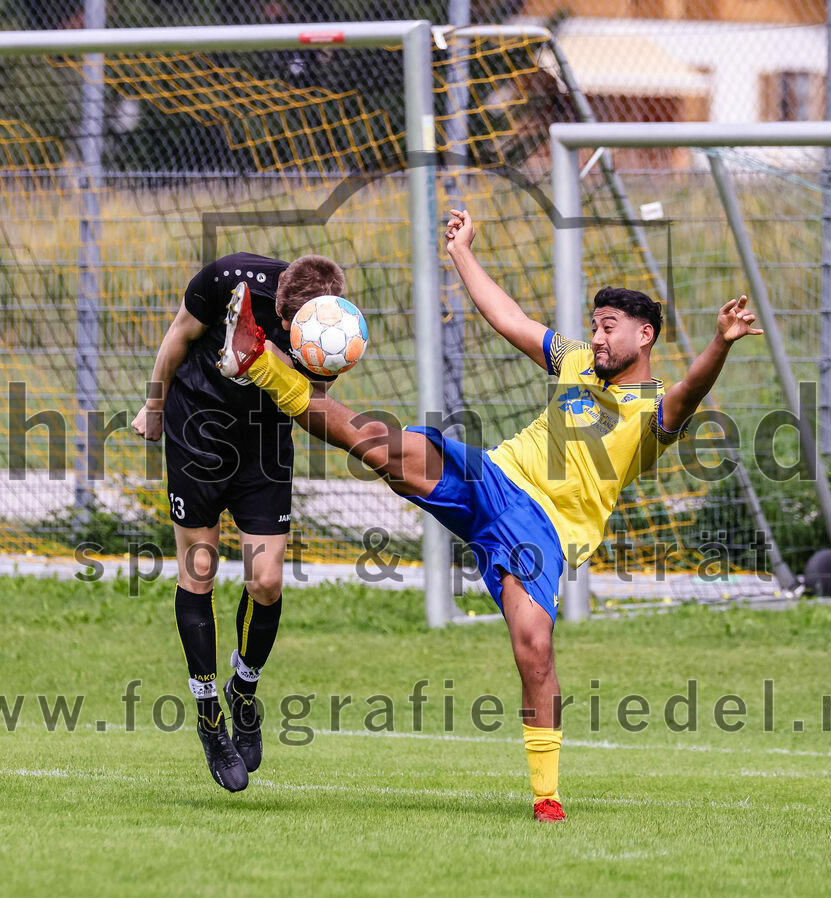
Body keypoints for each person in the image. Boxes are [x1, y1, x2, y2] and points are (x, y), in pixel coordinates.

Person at [216, 209, 763, 819]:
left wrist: (720, 341)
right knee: (383, 448)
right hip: (496, 479)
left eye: (610, 328)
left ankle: (547, 796)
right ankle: (259, 362)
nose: (599, 337)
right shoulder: (577, 363)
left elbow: (691, 390)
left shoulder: (654, 410)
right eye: (595, 326)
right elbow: (510, 319)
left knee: (535, 649)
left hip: (544, 533)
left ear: (645, 337)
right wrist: (462, 253)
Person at [131, 252, 344, 792]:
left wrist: (274, 360)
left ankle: (242, 690)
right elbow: (179, 334)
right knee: (197, 571)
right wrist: (154, 406)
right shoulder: (231, 280)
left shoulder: (333, 326)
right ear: (281, 301)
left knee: (266, 581)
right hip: (197, 430)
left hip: (264, 445)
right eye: (286, 321)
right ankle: (208, 716)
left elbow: (314, 401)